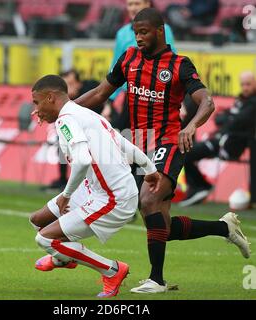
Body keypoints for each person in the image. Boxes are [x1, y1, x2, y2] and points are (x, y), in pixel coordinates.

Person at [74, 8, 251, 293]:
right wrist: (64, 111)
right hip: (138, 141)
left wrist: (191, 126)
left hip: (168, 141)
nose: (139, 38)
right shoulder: (129, 58)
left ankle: (157, 279)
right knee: (161, 227)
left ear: (160, 31)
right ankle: (224, 229)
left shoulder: (179, 64)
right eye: (136, 33)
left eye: (144, 32)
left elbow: (206, 101)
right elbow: (99, 93)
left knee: (148, 198)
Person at [30, 74, 161, 298]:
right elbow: (122, 142)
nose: (35, 110)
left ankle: (112, 270)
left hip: (113, 198)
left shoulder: (66, 120)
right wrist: (149, 168)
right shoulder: (85, 114)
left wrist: (66, 195)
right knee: (38, 221)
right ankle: (64, 257)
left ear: (50, 98)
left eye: (37, 102)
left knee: (45, 238)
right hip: (94, 189)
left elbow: (82, 160)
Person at [180, 71, 256, 207]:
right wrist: (230, 118)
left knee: (187, 153)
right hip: (219, 140)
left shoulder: (252, 103)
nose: (245, 87)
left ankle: (201, 186)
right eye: (243, 84)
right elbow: (221, 117)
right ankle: (198, 187)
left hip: (230, 145)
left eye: (248, 84)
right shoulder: (241, 101)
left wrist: (229, 118)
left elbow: (237, 120)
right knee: (186, 151)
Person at [109, 0, 176, 129]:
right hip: (129, 96)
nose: (133, 8)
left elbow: (172, 63)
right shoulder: (122, 34)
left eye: (137, 3)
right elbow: (115, 67)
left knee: (147, 141)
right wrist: (110, 101)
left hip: (155, 95)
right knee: (124, 138)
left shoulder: (164, 29)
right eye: (130, 4)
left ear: (148, 4)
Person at [42, 69, 104, 190]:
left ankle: (87, 183)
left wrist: (108, 107)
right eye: (65, 86)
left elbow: (104, 96)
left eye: (70, 84)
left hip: (96, 130)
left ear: (78, 83)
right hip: (79, 129)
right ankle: (63, 179)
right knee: (61, 142)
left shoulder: (89, 90)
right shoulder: (63, 100)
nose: (68, 89)